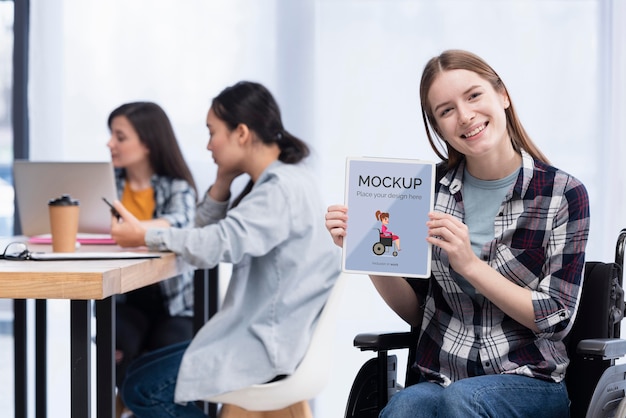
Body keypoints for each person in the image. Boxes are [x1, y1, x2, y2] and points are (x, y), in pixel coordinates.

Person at [325, 49, 590, 418]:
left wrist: (469, 265)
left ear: (503, 95)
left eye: (474, 96)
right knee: (404, 408)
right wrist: (367, 251)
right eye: (446, 110)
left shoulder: (563, 194)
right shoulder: (426, 192)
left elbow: (556, 318)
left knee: (466, 400)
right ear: (438, 126)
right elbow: (416, 313)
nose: (465, 116)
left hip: (531, 379)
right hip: (442, 378)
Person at [109, 81, 341, 417]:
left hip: (265, 345)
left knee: (140, 388)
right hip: (272, 336)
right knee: (137, 375)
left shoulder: (279, 190)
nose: (208, 145)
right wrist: (221, 183)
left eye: (212, 132)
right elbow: (203, 235)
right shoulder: (288, 179)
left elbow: (214, 245)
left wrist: (146, 237)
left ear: (242, 133)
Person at [107, 101, 198, 417]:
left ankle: (143, 407)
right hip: (127, 301)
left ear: (147, 142)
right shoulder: (108, 185)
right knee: (115, 339)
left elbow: (183, 222)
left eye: (120, 137)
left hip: (174, 305)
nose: (110, 144)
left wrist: (137, 232)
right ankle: (130, 408)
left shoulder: (177, 187)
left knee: (165, 354)